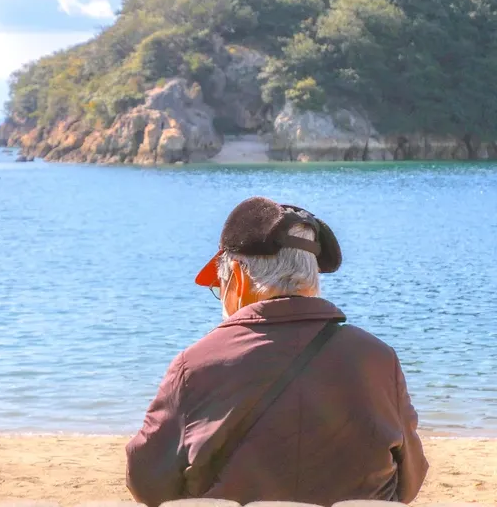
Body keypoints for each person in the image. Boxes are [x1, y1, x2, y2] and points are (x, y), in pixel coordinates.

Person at [125, 196, 428, 506]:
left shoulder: (195, 365)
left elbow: (146, 482)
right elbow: (410, 479)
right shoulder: (378, 359)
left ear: (239, 279)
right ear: (312, 281)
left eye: (220, 285)